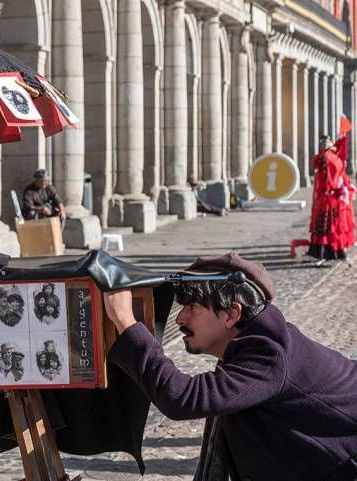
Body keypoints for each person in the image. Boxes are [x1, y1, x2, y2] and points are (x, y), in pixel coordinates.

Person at [102, 252, 357, 481]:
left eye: (192, 307)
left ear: (232, 314)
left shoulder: (268, 355)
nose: (180, 318)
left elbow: (183, 398)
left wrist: (126, 321)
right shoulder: (254, 343)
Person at [308, 134, 356, 264]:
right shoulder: (331, 158)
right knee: (330, 225)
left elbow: (328, 177)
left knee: (328, 225)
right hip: (331, 197)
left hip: (328, 197)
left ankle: (327, 253)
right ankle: (331, 252)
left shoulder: (327, 158)